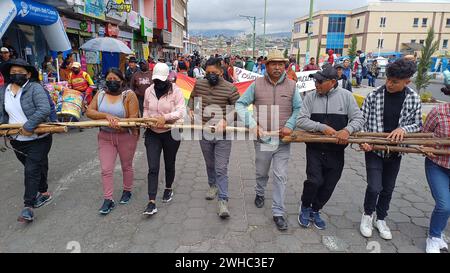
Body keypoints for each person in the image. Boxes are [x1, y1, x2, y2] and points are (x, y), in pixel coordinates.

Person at [236, 50, 302, 231]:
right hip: (263, 140)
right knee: (262, 171)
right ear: (266, 65)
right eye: (274, 63)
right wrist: (252, 124)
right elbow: (240, 104)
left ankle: (278, 212)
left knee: (280, 175)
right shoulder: (257, 84)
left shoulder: (292, 86)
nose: (278, 67)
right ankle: (259, 192)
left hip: (283, 141)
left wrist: (290, 124)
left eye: (281, 64)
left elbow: (298, 108)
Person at [359, 59, 422, 240]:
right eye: (388, 79)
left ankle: (381, 218)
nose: (389, 84)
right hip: (373, 149)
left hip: (396, 151)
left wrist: (403, 129)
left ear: (406, 81)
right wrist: (363, 140)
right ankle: (367, 215)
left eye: (394, 82)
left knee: (388, 188)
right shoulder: (373, 96)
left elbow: (418, 124)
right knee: (374, 186)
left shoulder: (413, 98)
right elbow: (360, 121)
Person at [297, 65, 364, 230]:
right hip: (314, 148)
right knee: (314, 181)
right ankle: (305, 206)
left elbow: (358, 119)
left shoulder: (347, 97)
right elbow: (301, 120)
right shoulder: (311, 97)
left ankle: (316, 209)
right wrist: (321, 127)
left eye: (320, 81)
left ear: (333, 82)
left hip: (337, 150)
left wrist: (347, 130)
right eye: (315, 81)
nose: (316, 84)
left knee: (329, 184)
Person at [0, 59, 53, 222]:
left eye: (20, 72)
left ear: (28, 74)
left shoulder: (35, 88)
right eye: (13, 72)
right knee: (36, 166)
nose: (16, 75)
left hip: (39, 138)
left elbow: (44, 109)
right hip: (16, 140)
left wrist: (29, 126)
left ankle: (28, 207)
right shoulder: (4, 90)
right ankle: (44, 192)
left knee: (31, 170)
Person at [187, 57, 240, 219]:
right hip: (204, 132)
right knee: (210, 163)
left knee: (221, 167)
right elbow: (192, 98)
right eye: (207, 73)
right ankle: (212, 185)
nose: (210, 76)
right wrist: (190, 109)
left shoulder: (230, 88)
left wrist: (226, 120)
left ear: (221, 72)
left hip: (223, 135)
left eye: (214, 73)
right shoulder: (200, 84)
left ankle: (223, 200)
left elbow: (240, 107)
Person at [86, 68, 140, 215]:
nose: (112, 82)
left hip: (125, 136)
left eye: (115, 80)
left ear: (122, 80)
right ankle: (108, 199)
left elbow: (133, 118)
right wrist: (106, 116)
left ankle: (127, 190)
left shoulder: (129, 95)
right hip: (105, 136)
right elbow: (89, 111)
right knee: (106, 169)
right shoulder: (101, 94)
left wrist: (120, 124)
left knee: (126, 166)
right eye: (109, 79)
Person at [142, 63, 186, 216]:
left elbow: (181, 111)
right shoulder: (149, 91)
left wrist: (165, 118)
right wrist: (146, 119)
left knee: (169, 162)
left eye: (161, 80)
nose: (158, 83)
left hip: (171, 132)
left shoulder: (176, 91)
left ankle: (168, 187)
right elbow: (146, 108)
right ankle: (151, 201)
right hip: (152, 133)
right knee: (153, 167)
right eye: (156, 80)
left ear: (168, 77)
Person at [422, 87, 450, 253]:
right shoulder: (439, 111)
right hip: (438, 164)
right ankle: (433, 237)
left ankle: (439, 232)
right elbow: (424, 135)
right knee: (444, 205)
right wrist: (426, 146)